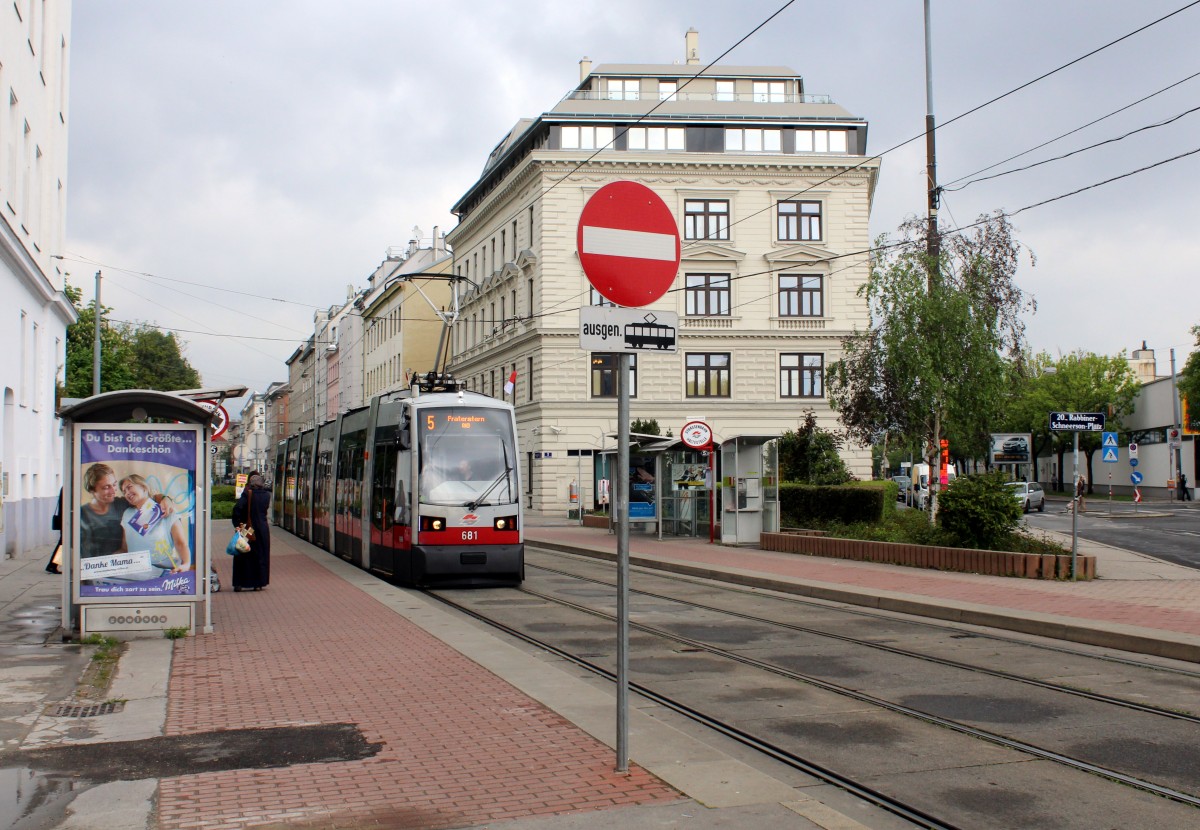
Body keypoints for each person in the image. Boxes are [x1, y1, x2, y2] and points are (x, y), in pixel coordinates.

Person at [118, 474, 191, 573]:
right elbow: (125, 547)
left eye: (129, 487)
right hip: (135, 572)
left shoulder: (167, 510)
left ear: (143, 487)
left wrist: (186, 564)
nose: (127, 493)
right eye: (124, 492)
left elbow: (180, 543)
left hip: (164, 570)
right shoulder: (127, 514)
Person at [231, 471, 271, 592]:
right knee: (261, 555)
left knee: (242, 555)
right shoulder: (266, 495)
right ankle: (258, 583)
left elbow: (237, 509)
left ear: (251, 484)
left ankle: (239, 583)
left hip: (247, 528)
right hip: (262, 529)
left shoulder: (248, 494)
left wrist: (237, 525)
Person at [46, 489, 63, 574]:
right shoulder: (69, 487)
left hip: (64, 520)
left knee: (63, 544)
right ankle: (52, 565)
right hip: (67, 521)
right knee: (63, 544)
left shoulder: (66, 486)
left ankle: (53, 565)